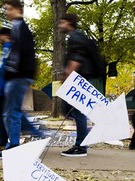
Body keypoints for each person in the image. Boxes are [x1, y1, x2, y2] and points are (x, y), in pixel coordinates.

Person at [0, 0, 41, 160]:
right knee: (11, 112)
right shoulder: (19, 28)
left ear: (18, 9)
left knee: (11, 113)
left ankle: (13, 147)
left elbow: (20, 54)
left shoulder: (19, 27)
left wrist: (12, 74)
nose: (7, 12)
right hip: (19, 76)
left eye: (9, 9)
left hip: (18, 77)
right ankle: (13, 145)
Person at [59, 14, 104, 157]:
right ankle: (81, 144)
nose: (60, 25)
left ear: (69, 23)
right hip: (86, 76)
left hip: (83, 77)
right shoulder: (78, 36)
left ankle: (81, 146)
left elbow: (76, 58)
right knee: (76, 112)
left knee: (78, 112)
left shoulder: (75, 37)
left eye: (62, 22)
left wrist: (67, 75)